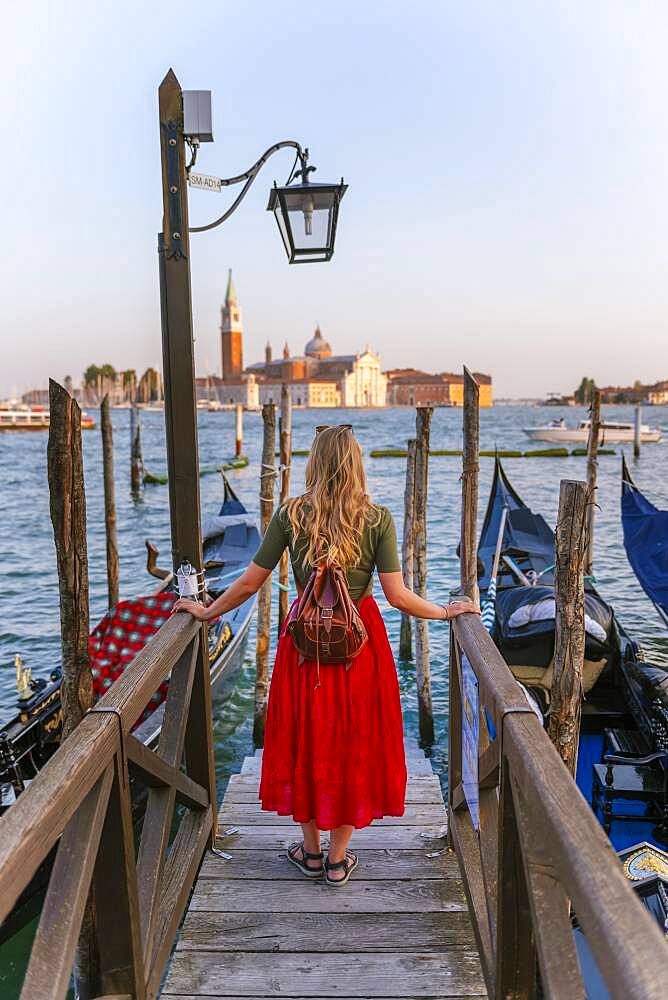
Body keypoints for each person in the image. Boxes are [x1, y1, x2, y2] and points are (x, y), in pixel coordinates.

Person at [173, 424, 477, 886]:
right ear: (355, 463)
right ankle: (338, 859)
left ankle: (310, 852)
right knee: (354, 744)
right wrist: (446, 612)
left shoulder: (291, 516)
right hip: (361, 647)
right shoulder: (376, 519)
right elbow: (397, 596)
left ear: (314, 463)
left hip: (305, 648)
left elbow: (251, 582)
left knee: (307, 740)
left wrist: (208, 610)